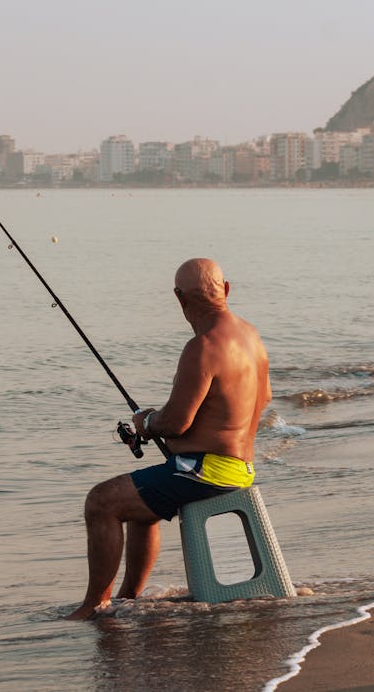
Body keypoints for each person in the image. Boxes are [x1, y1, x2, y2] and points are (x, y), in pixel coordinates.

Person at [66, 257, 271, 620]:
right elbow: (264, 398)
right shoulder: (250, 336)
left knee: (100, 502)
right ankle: (129, 598)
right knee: (140, 507)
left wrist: (145, 422)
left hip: (207, 472)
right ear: (226, 290)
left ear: (179, 299)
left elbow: (175, 422)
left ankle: (93, 606)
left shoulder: (203, 346)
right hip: (242, 468)